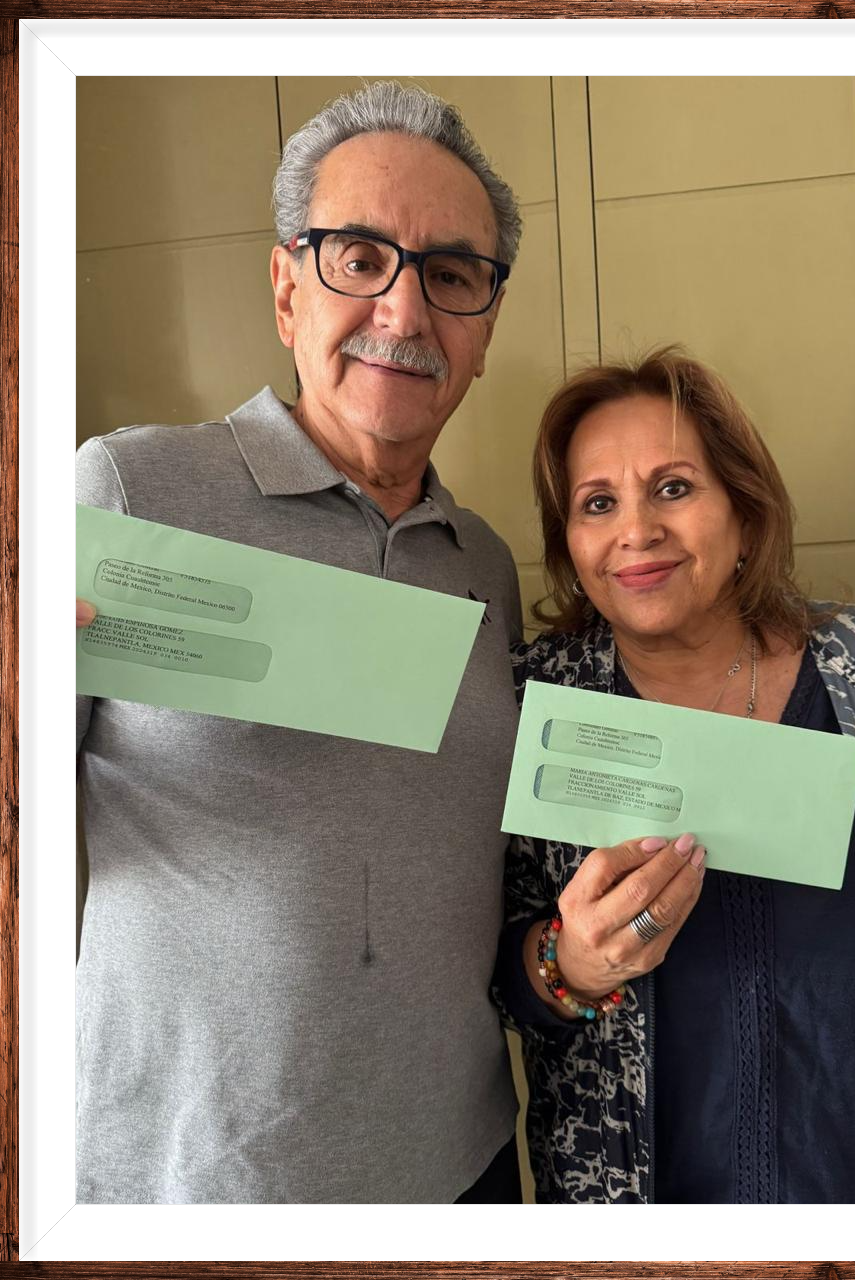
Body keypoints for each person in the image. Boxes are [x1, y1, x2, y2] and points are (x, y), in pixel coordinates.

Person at [74, 81, 528, 1204]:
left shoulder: (488, 562)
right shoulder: (126, 489)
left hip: (459, 1169)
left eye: (450, 274)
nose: (405, 312)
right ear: (286, 289)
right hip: (191, 1183)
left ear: (483, 329)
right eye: (358, 257)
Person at [492, 347, 855, 1204]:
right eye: (599, 504)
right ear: (573, 545)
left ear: (744, 510)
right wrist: (571, 967)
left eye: (673, 488)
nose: (637, 531)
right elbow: (489, 976)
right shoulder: (530, 704)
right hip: (641, 1217)